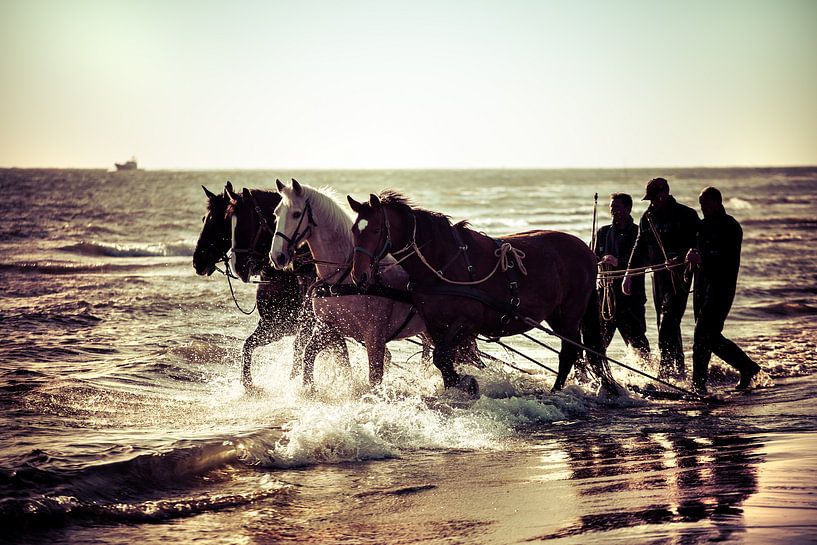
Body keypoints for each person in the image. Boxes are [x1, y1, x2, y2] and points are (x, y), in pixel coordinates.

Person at [685, 187, 761, 394]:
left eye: (707, 204)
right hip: (701, 287)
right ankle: (748, 368)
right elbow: (695, 251)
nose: (703, 208)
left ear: (718, 202)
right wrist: (689, 256)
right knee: (710, 337)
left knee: (702, 335)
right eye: (701, 204)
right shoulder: (702, 226)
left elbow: (726, 258)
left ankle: (698, 385)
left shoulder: (731, 226)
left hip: (721, 288)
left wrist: (702, 258)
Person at [623, 177, 700, 378]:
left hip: (680, 275)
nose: (652, 202)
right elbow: (639, 246)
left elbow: (698, 245)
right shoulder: (647, 217)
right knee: (664, 322)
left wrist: (680, 256)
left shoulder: (687, 215)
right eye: (649, 199)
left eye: (654, 197)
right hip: (658, 276)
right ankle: (679, 370)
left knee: (668, 321)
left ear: (664, 193)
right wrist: (628, 274)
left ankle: (665, 373)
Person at [594, 193, 651, 359]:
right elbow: (593, 257)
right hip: (606, 296)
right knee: (599, 340)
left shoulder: (638, 233)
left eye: (617, 207)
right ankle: (594, 373)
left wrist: (618, 261)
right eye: (612, 208)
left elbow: (645, 259)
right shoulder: (602, 232)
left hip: (631, 296)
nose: (614, 211)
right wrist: (600, 260)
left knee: (638, 341)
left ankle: (647, 376)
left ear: (628, 208)